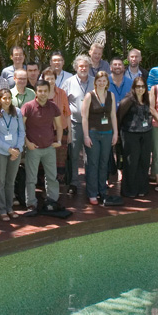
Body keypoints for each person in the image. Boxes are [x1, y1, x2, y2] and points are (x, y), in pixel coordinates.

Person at [21, 80, 62, 213]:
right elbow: (21, 128)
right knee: (31, 178)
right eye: (40, 91)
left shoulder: (53, 106)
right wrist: (27, 143)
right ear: (36, 92)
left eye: (45, 91)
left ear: (49, 91)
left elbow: (59, 125)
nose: (43, 93)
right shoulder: (28, 106)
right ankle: (31, 204)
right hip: (33, 149)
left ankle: (52, 201)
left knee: (52, 177)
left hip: (49, 148)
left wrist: (59, 140)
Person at [81, 71, 117, 205]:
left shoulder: (111, 96)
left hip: (107, 133)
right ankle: (92, 192)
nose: (102, 83)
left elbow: (113, 115)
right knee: (93, 164)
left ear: (107, 82)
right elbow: (84, 117)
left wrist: (115, 133)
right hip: (93, 134)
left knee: (103, 163)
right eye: (99, 80)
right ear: (95, 81)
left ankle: (102, 191)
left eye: (104, 80)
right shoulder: (89, 96)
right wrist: (86, 136)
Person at [0, 88, 25, 220]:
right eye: (4, 98)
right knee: (0, 181)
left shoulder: (18, 112)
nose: (7, 100)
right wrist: (9, 149)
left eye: (9, 98)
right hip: (1, 152)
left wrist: (17, 149)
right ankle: (1, 209)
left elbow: (22, 132)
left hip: (16, 152)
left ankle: (9, 208)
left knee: (10, 182)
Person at [117, 77, 153, 197]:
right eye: (138, 86)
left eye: (143, 86)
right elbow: (119, 118)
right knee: (131, 163)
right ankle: (130, 190)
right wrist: (118, 135)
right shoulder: (128, 101)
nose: (140, 89)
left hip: (146, 134)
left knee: (144, 162)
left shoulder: (147, 99)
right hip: (130, 135)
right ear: (133, 87)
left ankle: (142, 188)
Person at [63, 55, 94, 195]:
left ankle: (90, 182)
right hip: (75, 124)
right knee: (74, 155)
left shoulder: (95, 82)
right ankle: (74, 182)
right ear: (76, 67)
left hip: (92, 125)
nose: (83, 68)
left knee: (90, 155)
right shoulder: (68, 82)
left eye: (86, 66)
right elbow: (64, 104)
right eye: (81, 66)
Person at [42, 68, 72, 183]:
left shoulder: (61, 93)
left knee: (60, 159)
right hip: (45, 132)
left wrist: (69, 132)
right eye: (47, 78)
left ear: (56, 79)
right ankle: (45, 186)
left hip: (60, 131)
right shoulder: (40, 93)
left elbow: (67, 113)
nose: (50, 81)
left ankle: (58, 185)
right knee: (45, 160)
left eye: (52, 78)